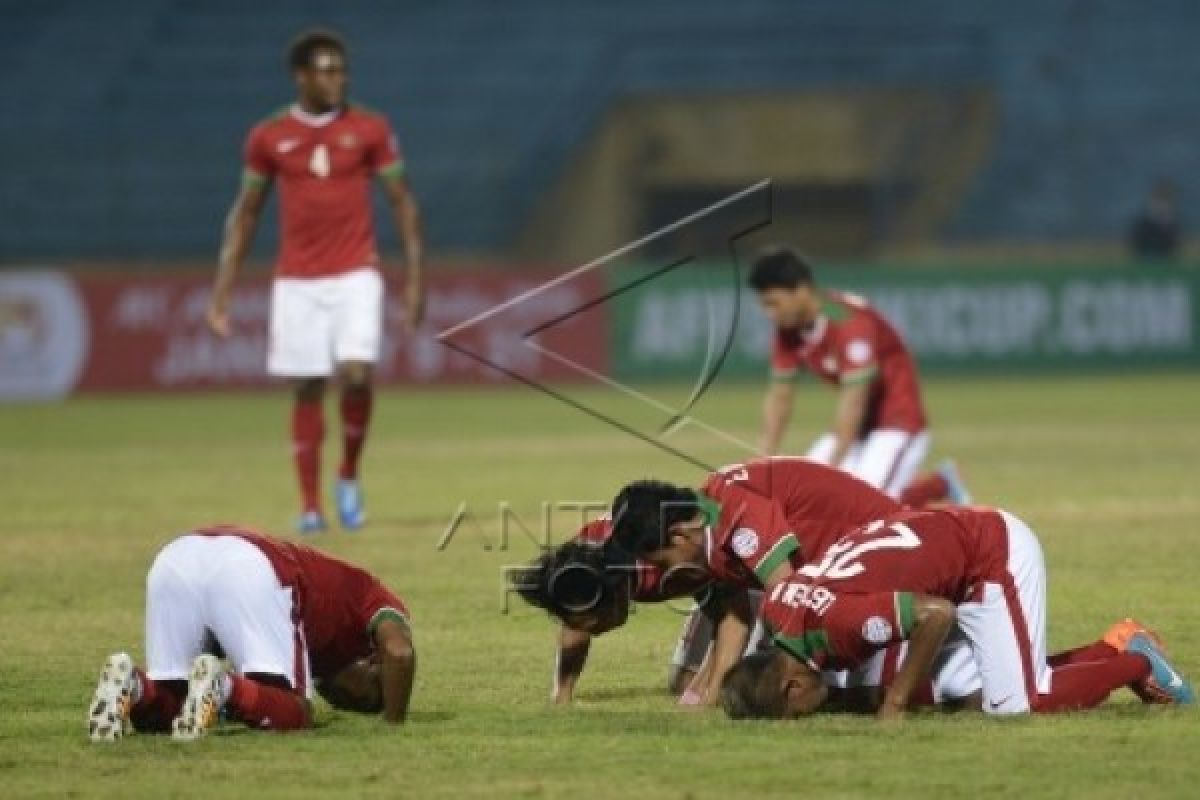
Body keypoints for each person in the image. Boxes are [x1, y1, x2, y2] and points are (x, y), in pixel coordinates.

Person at [207, 29, 425, 533]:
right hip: (298, 280)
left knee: (355, 374)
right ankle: (310, 506)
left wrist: (416, 278)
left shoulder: (370, 128)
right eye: (326, 70)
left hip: (356, 271)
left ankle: (347, 474)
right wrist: (222, 289)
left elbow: (403, 202)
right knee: (306, 387)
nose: (337, 79)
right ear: (301, 76)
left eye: (341, 69)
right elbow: (246, 213)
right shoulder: (269, 136)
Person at [718, 507, 1193, 721]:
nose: (804, 717)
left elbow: (936, 615)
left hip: (990, 557)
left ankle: (1140, 661)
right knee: (977, 689)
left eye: (794, 714)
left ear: (791, 686)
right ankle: (1112, 646)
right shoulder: (780, 609)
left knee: (1018, 706)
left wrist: (896, 702)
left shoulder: (843, 622)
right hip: (945, 541)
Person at [584, 457, 903, 706]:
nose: (664, 576)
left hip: (890, 555)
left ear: (678, 536)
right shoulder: (705, 524)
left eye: (661, 563)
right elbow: (735, 619)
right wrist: (703, 699)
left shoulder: (737, 518)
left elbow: (789, 598)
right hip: (837, 573)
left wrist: (788, 678)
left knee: (857, 694)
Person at [86, 524, 415, 741]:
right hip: (250, 565)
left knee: (172, 701)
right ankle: (224, 685)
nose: (347, 701)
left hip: (177, 557)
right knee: (297, 713)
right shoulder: (369, 596)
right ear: (373, 659)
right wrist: (392, 721)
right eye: (370, 695)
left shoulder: (328, 632)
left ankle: (133, 686)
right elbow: (400, 652)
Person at [750, 247, 968, 508]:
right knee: (801, 495)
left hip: (898, 422)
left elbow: (853, 403)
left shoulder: (849, 322)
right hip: (860, 427)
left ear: (802, 290)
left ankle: (939, 485)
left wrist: (829, 471)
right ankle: (939, 483)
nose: (769, 313)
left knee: (866, 507)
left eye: (773, 302)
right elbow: (780, 398)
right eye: (764, 305)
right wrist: (761, 461)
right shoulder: (788, 331)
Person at [1128, 180, 1182, 260]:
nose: (1162, 205)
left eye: (1165, 200)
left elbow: (1174, 248)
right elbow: (1137, 247)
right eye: (1159, 199)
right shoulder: (1142, 224)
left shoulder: (1173, 225)